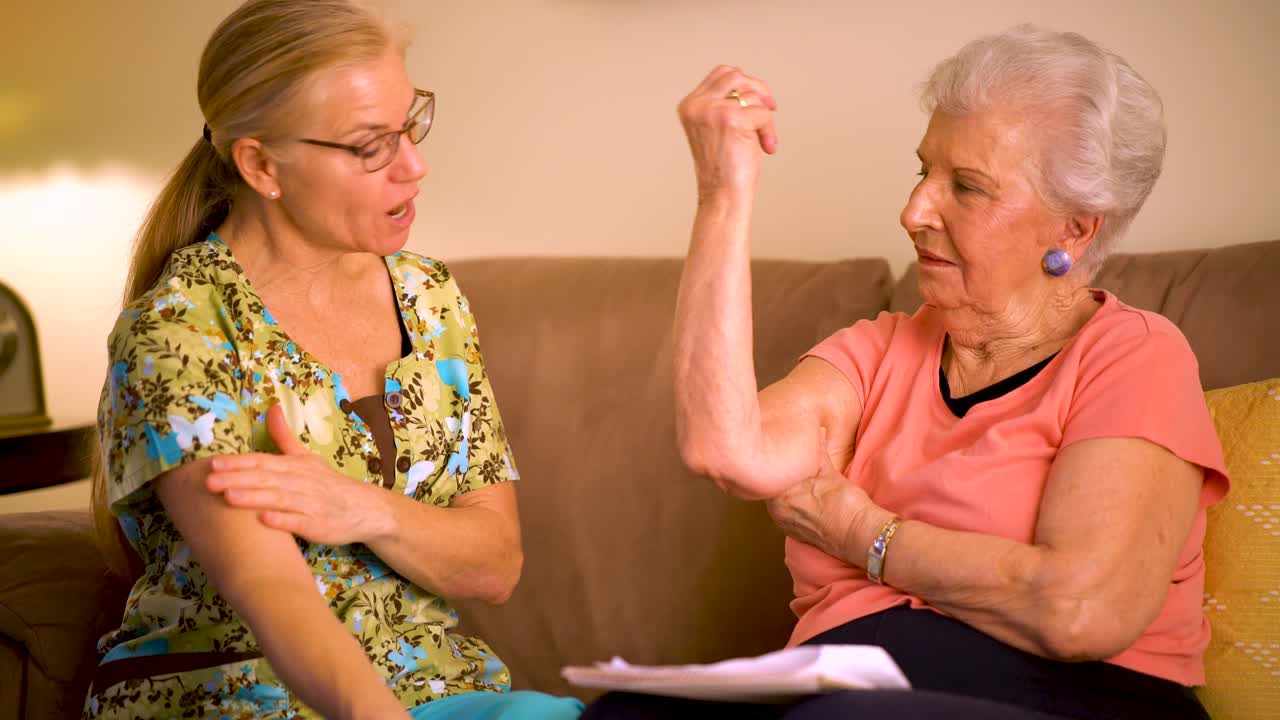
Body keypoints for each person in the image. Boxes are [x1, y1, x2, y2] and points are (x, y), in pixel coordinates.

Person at [585, 26, 1229, 720]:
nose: (915, 210)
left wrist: (862, 531)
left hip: (1075, 700)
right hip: (845, 689)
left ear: (1074, 229)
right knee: (625, 714)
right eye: (924, 171)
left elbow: (1080, 610)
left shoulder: (1133, 355)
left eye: (968, 188)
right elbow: (726, 451)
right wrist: (722, 191)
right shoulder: (878, 351)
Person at [84, 1, 584, 718]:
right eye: (369, 145)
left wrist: (361, 509)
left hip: (441, 691)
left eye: (410, 124)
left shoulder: (429, 295)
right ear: (261, 165)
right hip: (242, 694)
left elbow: (494, 562)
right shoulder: (179, 332)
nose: (414, 165)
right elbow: (274, 594)